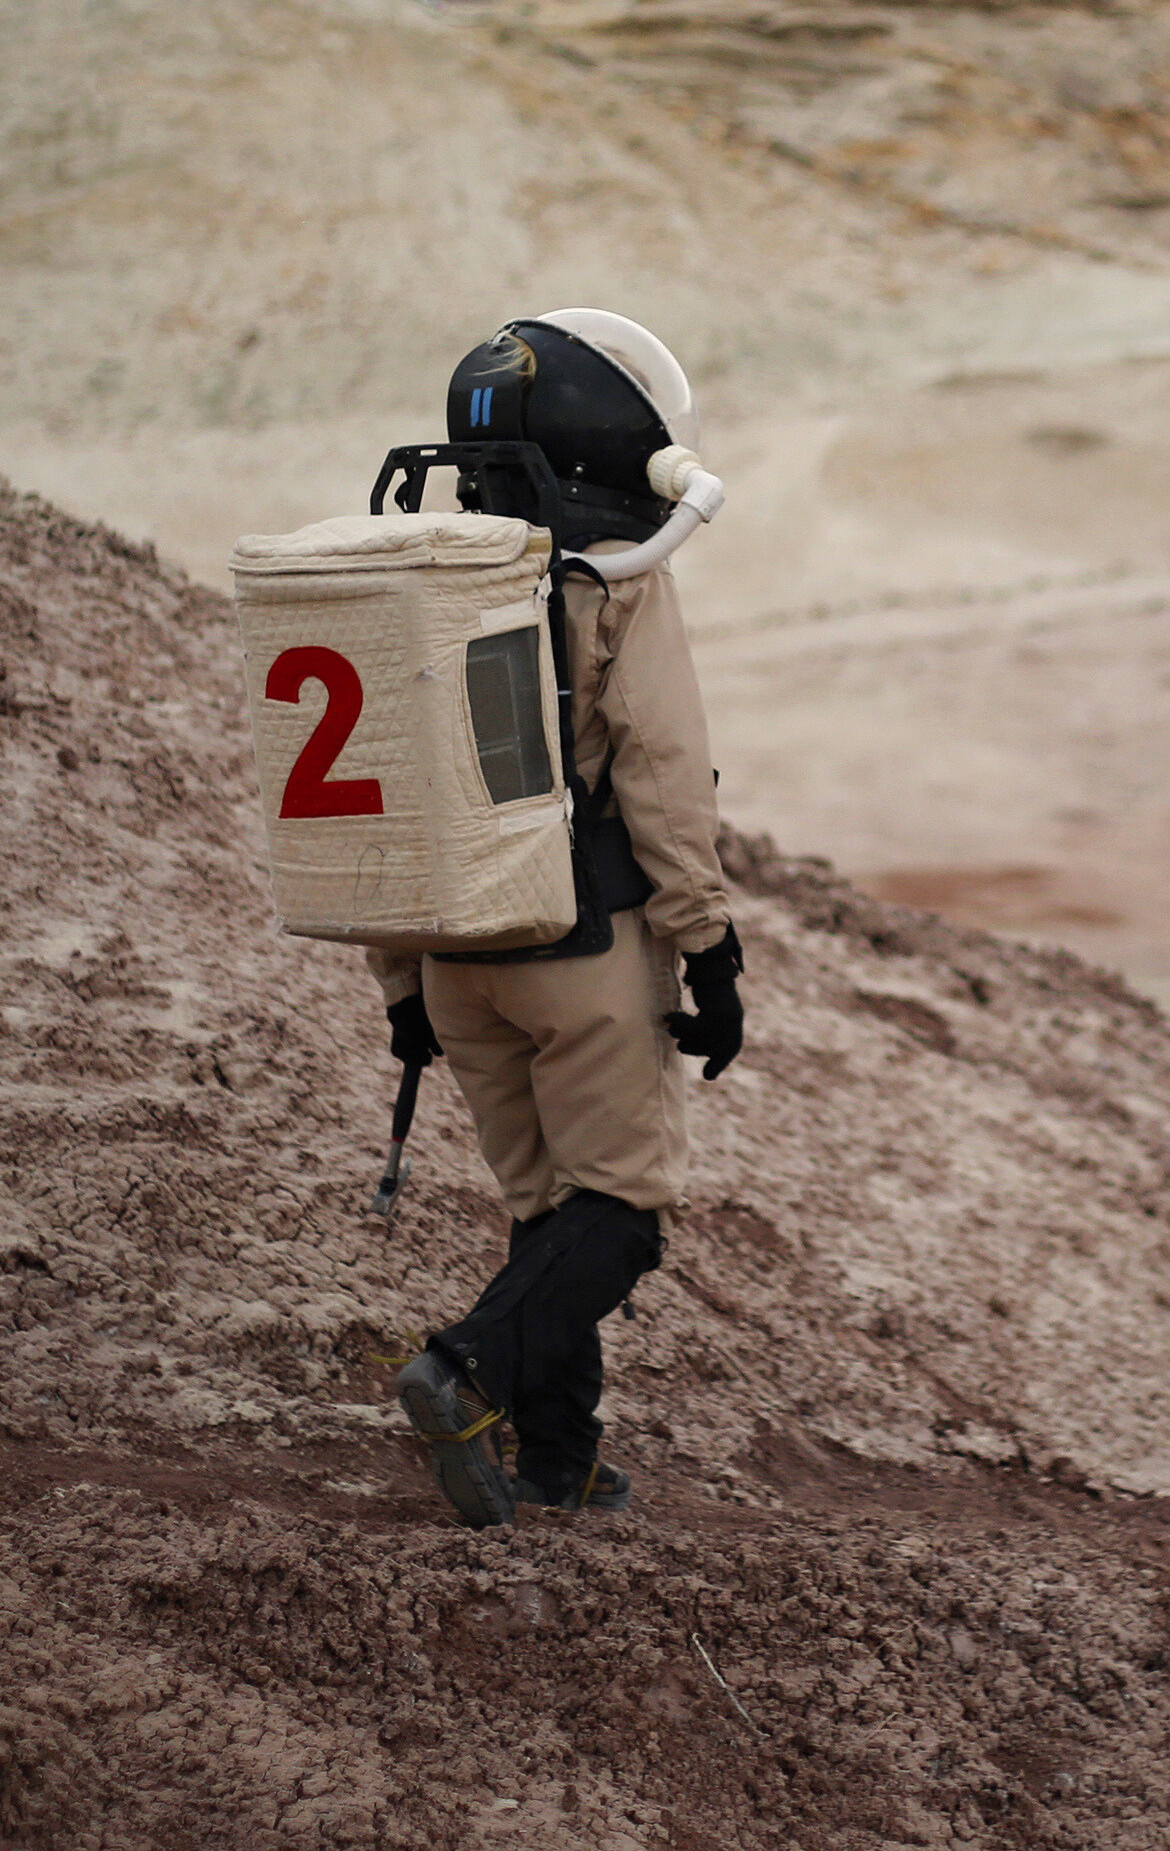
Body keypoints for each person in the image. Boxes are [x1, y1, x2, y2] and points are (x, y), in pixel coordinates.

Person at [378, 310, 745, 1528]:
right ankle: (464, 1368)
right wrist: (709, 944)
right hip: (579, 944)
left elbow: (389, 791)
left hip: (447, 952)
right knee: (623, 1214)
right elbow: (660, 766)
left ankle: (560, 1458)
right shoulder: (610, 576)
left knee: (547, 1211)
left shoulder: (410, 568)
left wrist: (398, 990)